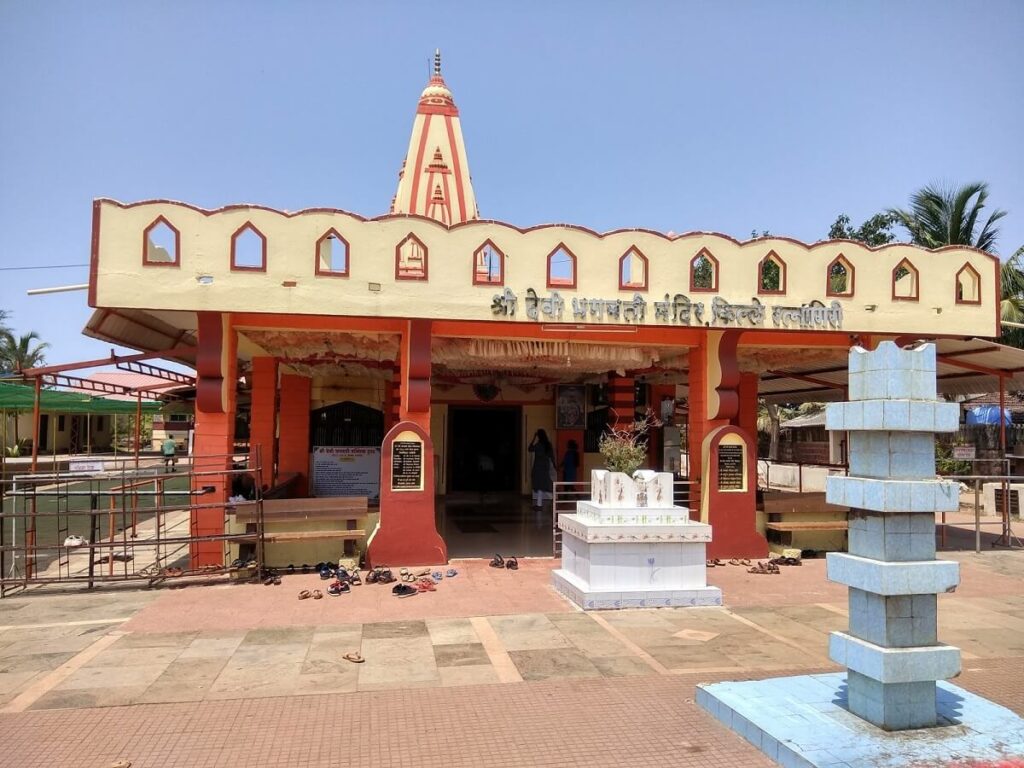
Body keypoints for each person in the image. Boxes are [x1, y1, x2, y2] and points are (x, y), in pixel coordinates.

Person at [528, 428, 556, 510]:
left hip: (538, 466)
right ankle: (541, 503)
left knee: (539, 484)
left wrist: (534, 438)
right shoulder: (548, 444)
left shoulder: (538, 445)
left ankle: (540, 504)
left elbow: (530, 449)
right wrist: (554, 465)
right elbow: (552, 456)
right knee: (543, 483)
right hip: (545, 466)